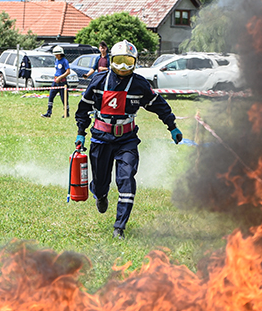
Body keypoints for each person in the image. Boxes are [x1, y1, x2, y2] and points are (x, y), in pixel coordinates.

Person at [74, 40, 183, 239]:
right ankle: (100, 194)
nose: (123, 67)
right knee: (100, 184)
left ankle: (119, 227)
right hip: (100, 138)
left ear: (134, 62)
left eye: (128, 62)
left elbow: (159, 105)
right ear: (111, 60)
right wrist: (81, 131)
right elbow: (83, 109)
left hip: (127, 140)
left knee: (126, 179)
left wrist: (172, 126)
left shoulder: (140, 85)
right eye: (119, 61)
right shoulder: (98, 81)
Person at [42, 45, 70, 118]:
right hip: (55, 82)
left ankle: (66, 113)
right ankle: (48, 113)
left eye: (57, 54)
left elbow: (68, 71)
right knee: (51, 96)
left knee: (64, 98)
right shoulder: (56, 60)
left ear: (61, 54)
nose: (56, 56)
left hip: (62, 83)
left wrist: (60, 77)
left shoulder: (65, 61)